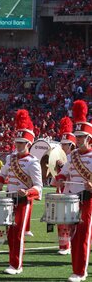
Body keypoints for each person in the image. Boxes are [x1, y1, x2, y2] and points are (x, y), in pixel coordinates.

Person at [0, 109, 42, 275]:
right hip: (9, 200)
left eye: (22, 143)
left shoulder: (33, 163)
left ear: (28, 144)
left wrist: (28, 192)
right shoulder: (11, 158)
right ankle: (11, 263)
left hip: (22, 201)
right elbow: (2, 174)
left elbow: (38, 187)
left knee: (18, 234)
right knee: (10, 234)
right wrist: (0, 183)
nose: (18, 145)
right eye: (17, 142)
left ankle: (17, 266)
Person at [55, 100, 92, 282]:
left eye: (81, 137)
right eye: (76, 137)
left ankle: (81, 272)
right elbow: (64, 172)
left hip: (88, 199)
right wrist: (59, 178)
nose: (77, 140)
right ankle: (76, 269)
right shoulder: (72, 156)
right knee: (75, 234)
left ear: (89, 139)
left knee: (84, 233)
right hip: (72, 198)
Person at [52, 116, 76, 256]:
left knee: (72, 220)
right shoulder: (59, 157)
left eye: (65, 145)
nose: (62, 147)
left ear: (71, 145)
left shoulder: (75, 157)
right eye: (62, 144)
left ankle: (70, 245)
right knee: (60, 219)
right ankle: (63, 245)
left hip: (73, 191)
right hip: (61, 190)